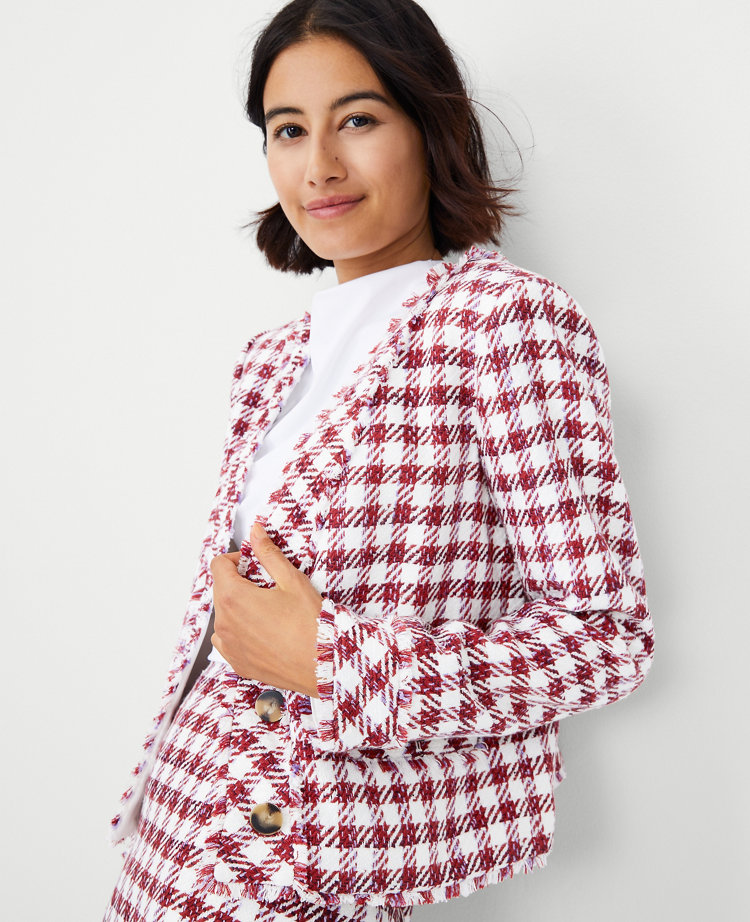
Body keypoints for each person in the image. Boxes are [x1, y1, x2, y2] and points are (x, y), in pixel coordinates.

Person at [103, 1, 654, 920]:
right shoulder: (271, 359)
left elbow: (604, 639)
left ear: (430, 126)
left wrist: (334, 662)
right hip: (179, 835)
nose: (319, 165)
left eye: (357, 119)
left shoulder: (507, 324)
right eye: (289, 130)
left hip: (320, 866)